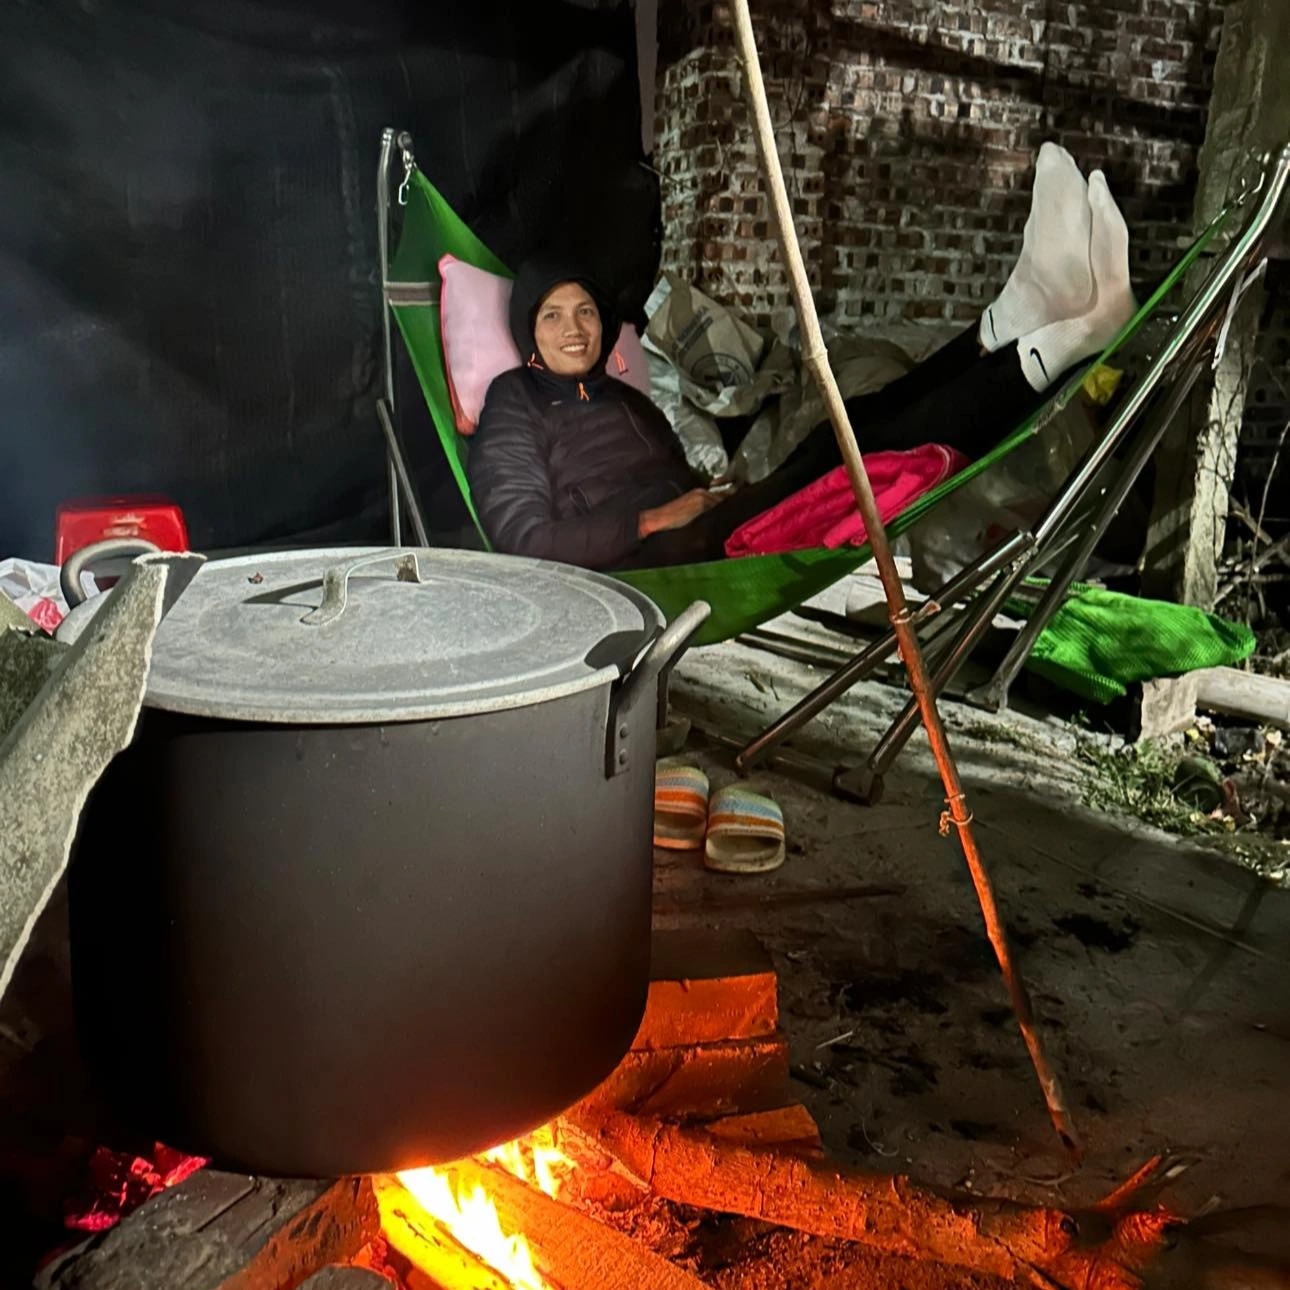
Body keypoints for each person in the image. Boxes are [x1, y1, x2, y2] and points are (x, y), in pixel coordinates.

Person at [468, 144, 1136, 571]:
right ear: (529, 333)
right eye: (552, 316)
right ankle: (1060, 342)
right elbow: (524, 537)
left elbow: (672, 476)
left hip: (696, 530)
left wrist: (708, 494)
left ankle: (1009, 323)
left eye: (585, 311)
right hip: (643, 566)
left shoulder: (622, 398)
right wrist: (652, 519)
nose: (575, 329)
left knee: (837, 435)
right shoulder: (513, 401)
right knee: (843, 466)